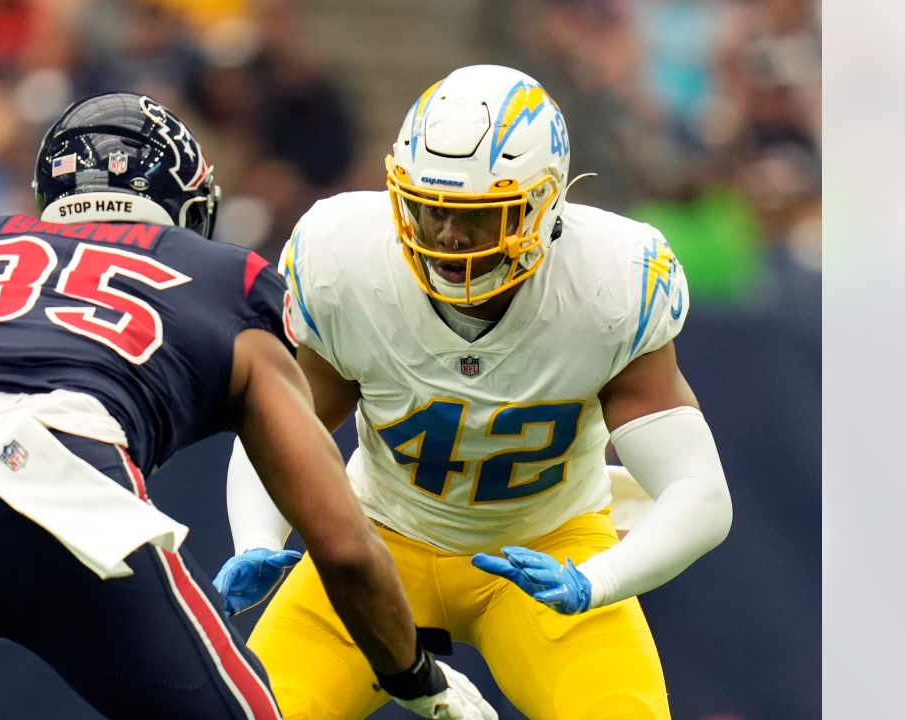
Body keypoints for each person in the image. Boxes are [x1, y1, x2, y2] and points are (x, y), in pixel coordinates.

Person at [0, 92, 498, 720]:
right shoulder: (224, 276)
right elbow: (339, 541)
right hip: (65, 490)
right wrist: (414, 676)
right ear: (183, 206)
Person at [213, 65, 734, 720]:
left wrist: (596, 579)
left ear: (545, 209)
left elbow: (701, 495)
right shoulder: (347, 259)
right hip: (377, 543)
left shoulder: (610, 283)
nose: (449, 237)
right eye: (432, 210)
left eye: (477, 218)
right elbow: (283, 424)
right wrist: (258, 536)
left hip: (550, 546)